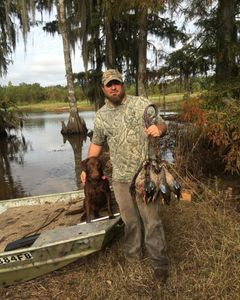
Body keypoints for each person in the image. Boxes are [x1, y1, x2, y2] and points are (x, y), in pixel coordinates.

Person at [80, 69, 169, 283]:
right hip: (120, 179)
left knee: (152, 221)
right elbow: (97, 144)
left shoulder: (141, 104)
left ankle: (159, 265)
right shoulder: (101, 115)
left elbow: (163, 123)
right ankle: (132, 259)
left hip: (145, 176)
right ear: (103, 89)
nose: (113, 87)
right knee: (130, 221)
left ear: (122, 85)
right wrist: (85, 168)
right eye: (109, 84)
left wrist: (159, 128)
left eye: (116, 83)